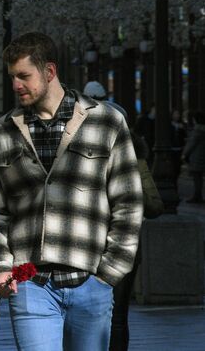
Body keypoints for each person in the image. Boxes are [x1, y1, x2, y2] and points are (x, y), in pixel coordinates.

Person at [0, 32, 143, 351]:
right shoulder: (1, 132)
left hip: (91, 280)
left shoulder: (107, 122)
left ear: (49, 72)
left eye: (24, 76)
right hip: (30, 282)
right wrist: (4, 266)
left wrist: (109, 272)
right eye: (12, 77)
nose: (16, 85)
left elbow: (128, 202)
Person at [83, 81, 164, 351]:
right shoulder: (135, 158)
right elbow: (154, 205)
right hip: (121, 245)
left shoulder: (86, 156)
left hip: (96, 244)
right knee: (117, 317)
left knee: (97, 315)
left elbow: (153, 205)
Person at [183, 111, 205, 203]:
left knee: (197, 178)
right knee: (199, 177)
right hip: (202, 156)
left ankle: (197, 196)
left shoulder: (197, 130)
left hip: (196, 157)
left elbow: (191, 144)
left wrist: (184, 154)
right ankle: (198, 196)